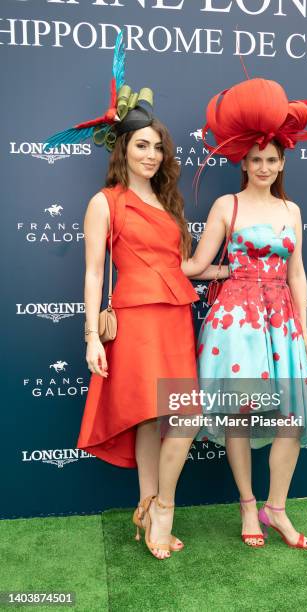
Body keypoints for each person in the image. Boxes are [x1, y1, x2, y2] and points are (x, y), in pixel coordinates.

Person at [45, 32, 225, 560]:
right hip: (134, 319)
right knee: (161, 416)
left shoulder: (169, 205)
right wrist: (89, 337)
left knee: (172, 416)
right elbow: (93, 273)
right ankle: (159, 509)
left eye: (158, 145)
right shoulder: (105, 202)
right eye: (141, 144)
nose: (151, 153)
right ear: (122, 147)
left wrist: (221, 270)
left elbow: (181, 266)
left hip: (174, 316)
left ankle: (151, 507)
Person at [182, 78, 307, 550]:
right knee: (239, 416)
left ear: (283, 162)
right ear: (243, 162)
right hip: (236, 323)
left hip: (281, 322)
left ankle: (276, 508)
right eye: (256, 159)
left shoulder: (293, 209)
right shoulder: (229, 205)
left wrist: (303, 327)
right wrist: (157, 259)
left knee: (291, 419)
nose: (264, 166)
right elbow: (198, 267)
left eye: (272, 160)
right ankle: (247, 504)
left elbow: (297, 273)